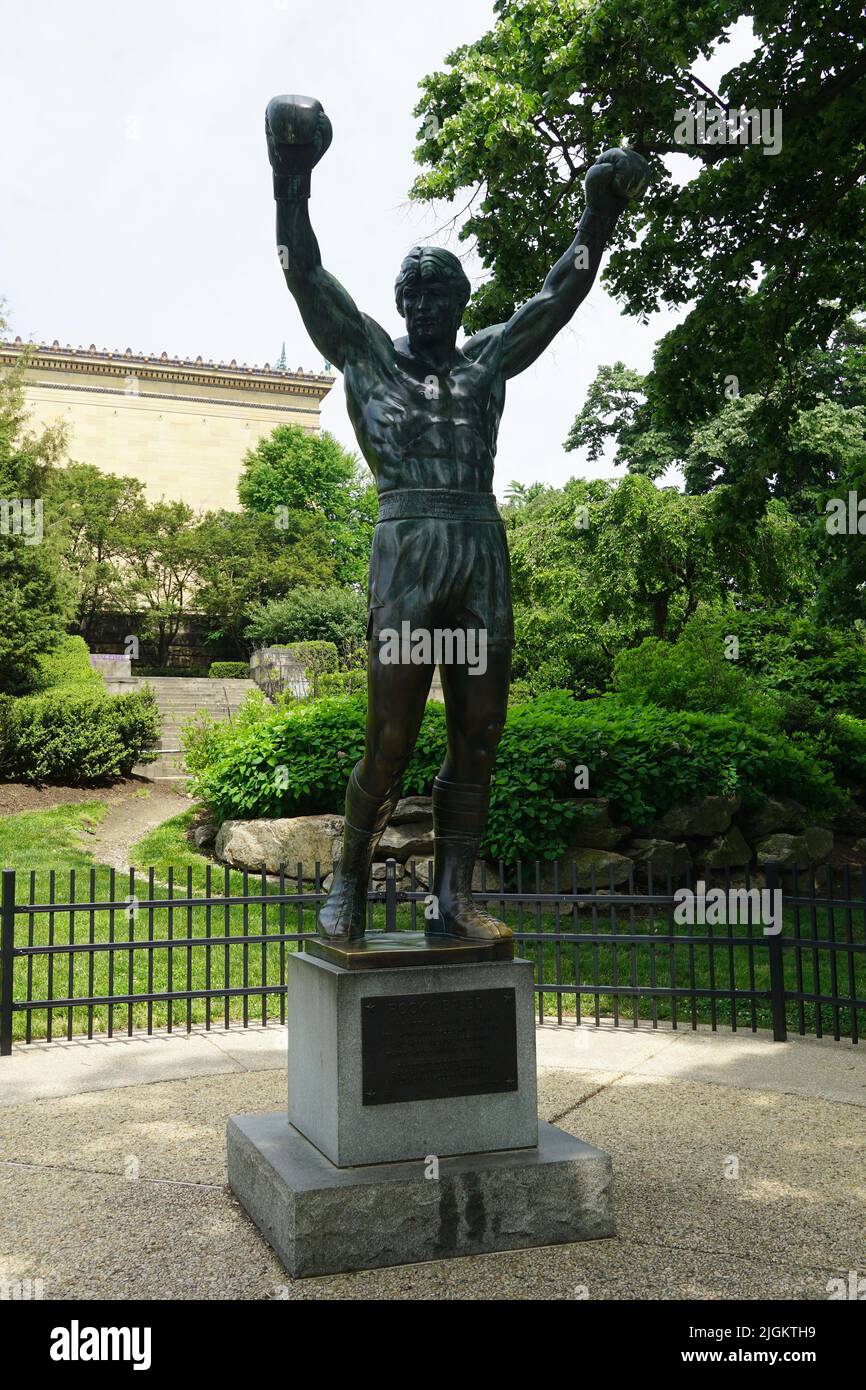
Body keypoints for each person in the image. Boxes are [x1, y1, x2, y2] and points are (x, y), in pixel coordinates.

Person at [265, 94, 648, 942]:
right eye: (414, 289)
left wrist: (598, 209)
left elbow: (561, 292)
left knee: (480, 733)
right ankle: (349, 882)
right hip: (407, 547)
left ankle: (453, 898)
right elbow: (303, 273)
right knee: (392, 735)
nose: (427, 302)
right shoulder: (366, 355)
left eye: (442, 289)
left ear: (463, 301)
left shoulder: (487, 366)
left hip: (478, 546)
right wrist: (291, 178)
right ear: (399, 302)